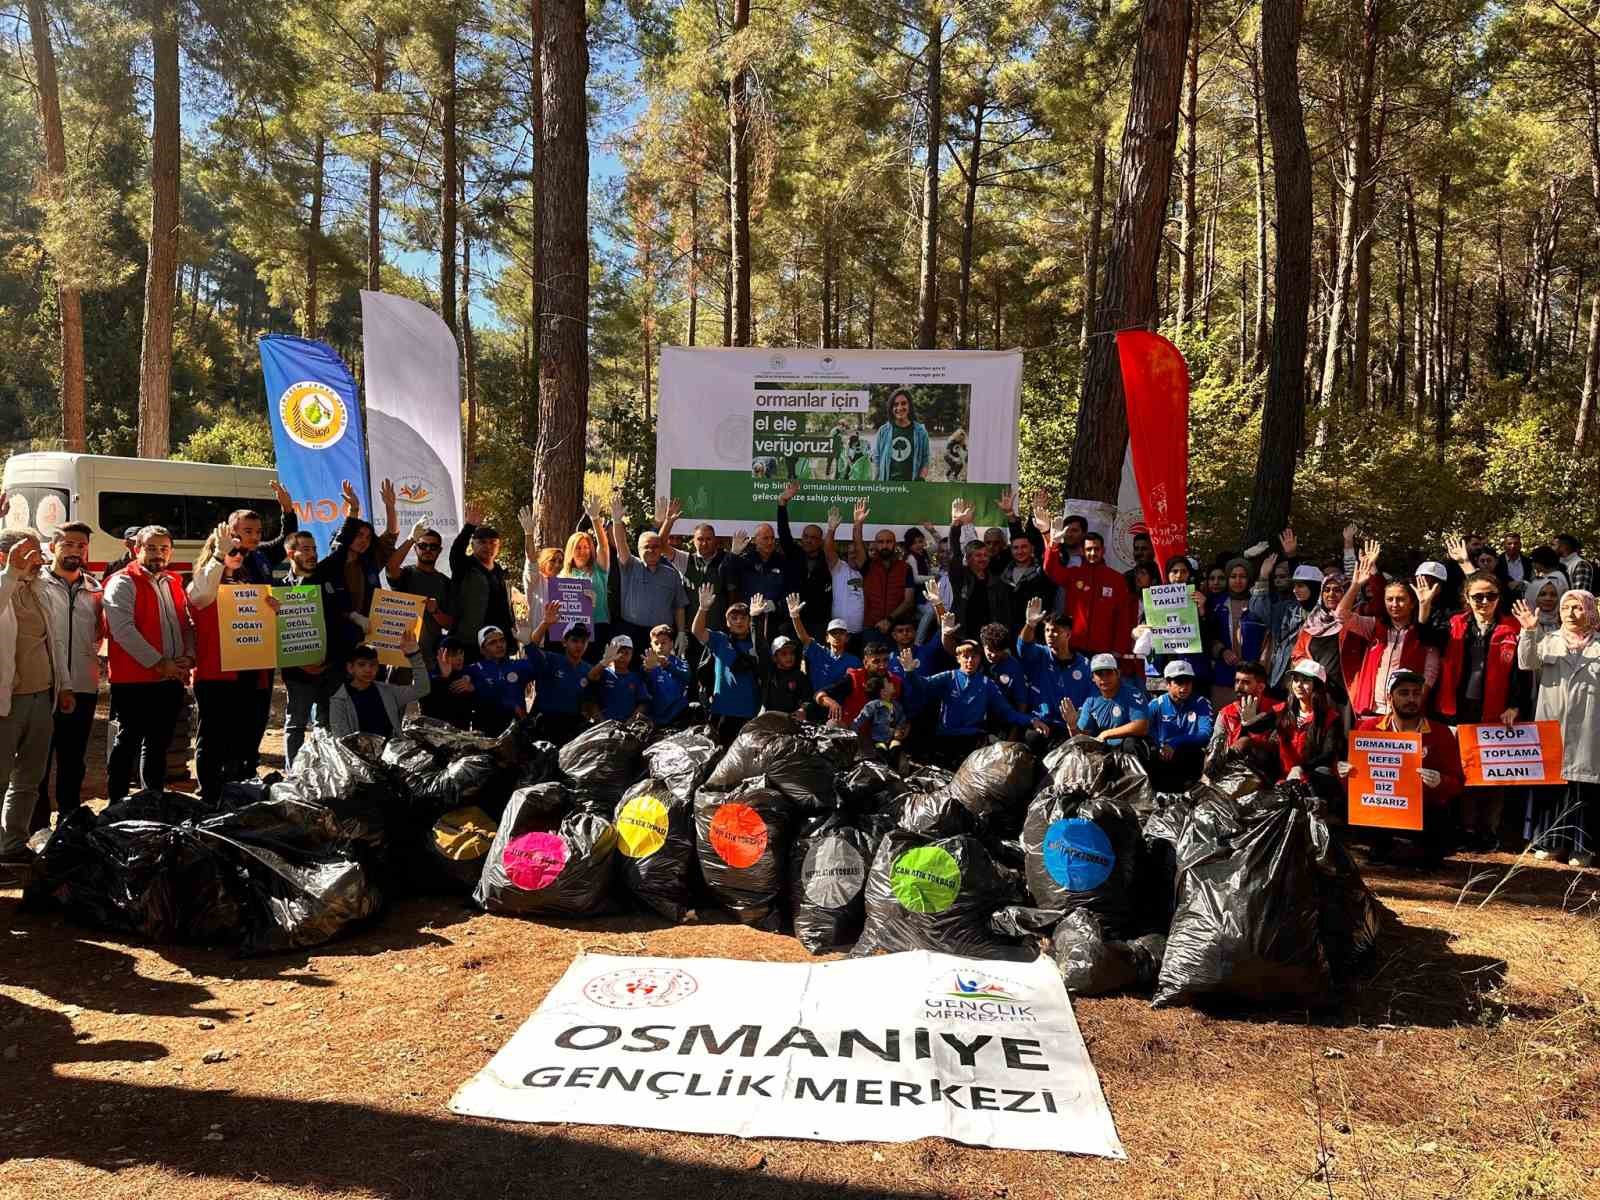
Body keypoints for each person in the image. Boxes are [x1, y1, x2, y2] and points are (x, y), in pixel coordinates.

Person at [1431, 571, 1531, 850]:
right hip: (1459, 708)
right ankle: (1466, 828)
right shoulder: (1454, 624)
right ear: (1467, 598)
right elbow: (1424, 636)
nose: (1484, 601)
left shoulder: (1512, 627)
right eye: (1477, 596)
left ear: (1499, 598)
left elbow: (1521, 673)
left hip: (1496, 710)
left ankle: (1489, 831)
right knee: (1463, 769)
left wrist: (1515, 705)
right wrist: (1425, 606)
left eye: (1491, 595)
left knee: (1494, 772)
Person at [103, 525, 195, 800]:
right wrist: (159, 662)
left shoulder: (173, 582)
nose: (158, 554)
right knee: (127, 742)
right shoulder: (122, 582)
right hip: (133, 681)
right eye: (151, 548)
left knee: (159, 744)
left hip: (169, 679)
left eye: (163, 548)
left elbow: (185, 624)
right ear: (136, 549)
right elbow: (122, 631)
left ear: (171, 552)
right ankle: (116, 804)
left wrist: (188, 656)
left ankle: (151, 799)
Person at [1340, 669, 1463, 867]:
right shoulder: (1369, 729)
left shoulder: (1440, 733)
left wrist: (1441, 781)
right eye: (1404, 693)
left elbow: (1457, 782)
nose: (1411, 699)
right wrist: (1346, 774)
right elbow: (1354, 786)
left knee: (1438, 830)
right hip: (1381, 812)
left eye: (1416, 693)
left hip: (1424, 812)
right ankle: (1383, 848)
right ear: (1390, 697)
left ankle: (1415, 851)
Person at [1513, 590, 1600, 866]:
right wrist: (1528, 631)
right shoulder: (1548, 640)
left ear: (1589, 611)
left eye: (1577, 608)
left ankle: (1581, 848)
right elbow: (1527, 662)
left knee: (1583, 789)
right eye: (1565, 608)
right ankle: (1549, 842)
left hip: (1589, 727)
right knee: (1551, 787)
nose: (1571, 614)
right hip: (1552, 726)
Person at [0, 531, 71, 862]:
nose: (39, 559)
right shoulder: (5, 586)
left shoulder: (40, 587)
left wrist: (64, 685)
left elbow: (54, 641)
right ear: (6, 556)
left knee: (30, 777)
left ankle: (13, 844)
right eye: (29, 554)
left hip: (42, 697)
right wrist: (11, 573)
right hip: (6, 702)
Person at [31, 522, 101, 831]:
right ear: (52, 547)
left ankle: (70, 821)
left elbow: (101, 633)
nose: (74, 551)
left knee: (74, 760)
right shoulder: (35, 585)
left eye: (80, 546)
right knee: (38, 763)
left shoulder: (95, 589)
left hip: (84, 686)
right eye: (68, 544)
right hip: (44, 686)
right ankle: (37, 826)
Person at [1335, 539, 1439, 719]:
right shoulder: (1375, 626)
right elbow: (1341, 616)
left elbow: (1430, 672)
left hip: (1406, 712)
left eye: (1400, 599)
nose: (1394, 604)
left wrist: (1417, 703)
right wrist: (1356, 585)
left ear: (1412, 603)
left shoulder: (1423, 631)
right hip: (1371, 708)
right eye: (1389, 599)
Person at [905, 636, 1044, 765]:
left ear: (979, 658)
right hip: (946, 738)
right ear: (958, 658)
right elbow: (923, 685)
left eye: (974, 657)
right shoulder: (949, 677)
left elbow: (1007, 712)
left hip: (972, 740)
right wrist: (910, 672)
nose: (970, 661)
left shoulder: (986, 683)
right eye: (965, 657)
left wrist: (1031, 720)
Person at [314, 480, 398, 674]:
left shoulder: (369, 563)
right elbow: (343, 541)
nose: (364, 541)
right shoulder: (331, 566)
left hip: (368, 639)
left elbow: (391, 536)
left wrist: (390, 507)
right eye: (359, 535)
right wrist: (354, 508)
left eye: (368, 537)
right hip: (338, 641)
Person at [608, 495, 690, 659]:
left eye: (656, 547)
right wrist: (617, 521)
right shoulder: (630, 565)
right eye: (647, 547)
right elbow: (621, 544)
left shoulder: (672, 574)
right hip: (631, 633)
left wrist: (681, 632)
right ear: (638, 550)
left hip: (661, 637)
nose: (652, 550)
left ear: (661, 549)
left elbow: (679, 606)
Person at [276, 530, 330, 768]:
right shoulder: (278, 588)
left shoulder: (327, 581)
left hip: (328, 669)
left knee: (324, 725)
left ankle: (323, 772)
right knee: (296, 723)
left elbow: (337, 623)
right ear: (291, 554)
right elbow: (279, 634)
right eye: (306, 549)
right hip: (297, 673)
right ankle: (294, 774)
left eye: (314, 549)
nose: (312, 554)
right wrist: (301, 663)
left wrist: (327, 661)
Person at [1014, 597, 1095, 754]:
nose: (1050, 634)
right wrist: (1030, 625)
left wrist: (1079, 723)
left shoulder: (1085, 665)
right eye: (1047, 630)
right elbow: (1023, 648)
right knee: (1032, 739)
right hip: (1043, 724)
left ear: (1068, 634)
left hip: (1071, 727)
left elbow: (1091, 700)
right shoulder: (1040, 654)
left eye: (1056, 630)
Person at [1044, 528, 1132, 665]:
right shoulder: (1073, 574)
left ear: (1103, 550)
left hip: (1104, 648)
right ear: (1082, 551)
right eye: (1089, 549)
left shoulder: (1117, 579)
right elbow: (1050, 569)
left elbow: (1122, 616)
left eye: (1096, 549)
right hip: (1073, 645)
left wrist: (1118, 649)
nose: (1092, 553)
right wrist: (1053, 545)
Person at [691, 583, 760, 744]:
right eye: (734, 618)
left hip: (750, 711)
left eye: (743, 617)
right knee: (718, 754)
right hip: (722, 710)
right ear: (727, 622)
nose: (739, 621)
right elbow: (697, 631)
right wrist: (703, 608)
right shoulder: (720, 640)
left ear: (750, 621)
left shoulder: (758, 643)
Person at [451, 502, 518, 662]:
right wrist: (469, 527)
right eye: (482, 542)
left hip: (499, 642)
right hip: (471, 641)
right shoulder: (464, 566)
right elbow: (456, 552)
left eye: (492, 543)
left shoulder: (500, 571)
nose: (487, 546)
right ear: (472, 544)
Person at [522, 602, 594, 746]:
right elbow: (531, 647)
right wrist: (545, 623)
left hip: (572, 728)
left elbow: (589, 701)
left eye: (583, 641)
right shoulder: (551, 659)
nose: (579, 645)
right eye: (574, 640)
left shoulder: (588, 669)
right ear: (564, 642)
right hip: (546, 725)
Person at [1274, 660, 1344, 806]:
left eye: (1305, 680)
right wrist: (1248, 723)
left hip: (1314, 782)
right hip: (1283, 779)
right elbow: (1260, 724)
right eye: (1296, 680)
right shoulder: (1282, 710)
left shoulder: (1331, 718)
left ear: (1317, 686)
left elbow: (1328, 754)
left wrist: (1301, 768)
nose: (1298, 685)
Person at [329, 636, 430, 736]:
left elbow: (422, 689)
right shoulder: (339, 701)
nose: (368, 670)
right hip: (358, 751)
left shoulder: (387, 691)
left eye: (373, 665)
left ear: (378, 667)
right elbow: (342, 740)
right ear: (350, 668)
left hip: (392, 750)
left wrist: (415, 656)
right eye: (361, 664)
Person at [1204, 556, 1268, 707]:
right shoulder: (1216, 603)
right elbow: (1208, 636)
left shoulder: (1258, 603)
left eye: (1242, 576)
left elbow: (1267, 638)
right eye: (1233, 576)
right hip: (1223, 676)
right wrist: (1222, 651)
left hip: (1252, 677)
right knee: (1225, 722)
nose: (1238, 581)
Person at [946, 498, 1015, 640]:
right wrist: (956, 524)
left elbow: (1005, 615)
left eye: (985, 555)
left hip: (991, 641)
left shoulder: (997, 582)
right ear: (969, 559)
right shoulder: (960, 577)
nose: (983, 558)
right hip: (964, 636)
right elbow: (954, 554)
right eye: (978, 555)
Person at [387, 520, 455, 661]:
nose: (428, 550)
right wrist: (411, 538)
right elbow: (390, 567)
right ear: (415, 548)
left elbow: (450, 624)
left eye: (433, 546)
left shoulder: (446, 582)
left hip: (431, 657)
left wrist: (436, 611)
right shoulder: (407, 573)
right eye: (423, 545)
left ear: (440, 550)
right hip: (401, 655)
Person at [1204, 660, 1281, 778]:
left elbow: (1278, 747)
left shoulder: (1277, 710)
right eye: (1237, 681)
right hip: (1230, 772)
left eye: (1245, 682)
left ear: (1260, 687)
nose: (1238, 687)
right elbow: (1214, 748)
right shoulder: (1226, 713)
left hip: (1266, 774)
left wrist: (1250, 742)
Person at [1147, 660, 1214, 791]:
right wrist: (1161, 746)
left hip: (1189, 758)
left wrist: (1175, 742)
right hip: (1163, 756)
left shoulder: (1201, 703)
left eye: (1188, 681)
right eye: (1179, 682)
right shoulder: (1156, 704)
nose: (1184, 687)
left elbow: (1205, 733)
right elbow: (1145, 729)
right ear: (1167, 684)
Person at [774, 484, 832, 629]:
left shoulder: (827, 560)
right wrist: (782, 504)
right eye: (805, 536)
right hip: (792, 617)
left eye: (813, 538)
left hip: (818, 621)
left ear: (820, 541)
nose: (808, 540)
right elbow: (784, 533)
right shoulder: (794, 553)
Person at [558, 501, 612, 656]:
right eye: (578, 547)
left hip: (598, 626)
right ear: (571, 550)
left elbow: (604, 546)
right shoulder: (563, 575)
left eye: (586, 547)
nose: (583, 551)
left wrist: (595, 518)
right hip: (571, 631)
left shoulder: (599, 569)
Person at [1064, 653, 1150, 748]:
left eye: (1108, 672)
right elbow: (1081, 737)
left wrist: (1106, 734)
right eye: (1099, 673)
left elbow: (1142, 726)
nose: (1104, 678)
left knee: (1131, 743)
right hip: (1102, 749)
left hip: (1125, 749)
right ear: (1093, 678)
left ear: (1117, 673)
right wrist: (1072, 726)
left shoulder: (1132, 694)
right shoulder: (1091, 699)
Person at [461, 625, 535, 734]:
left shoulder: (517, 666)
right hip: (487, 729)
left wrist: (529, 644)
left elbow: (542, 667)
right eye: (492, 643)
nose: (499, 645)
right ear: (482, 649)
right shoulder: (473, 670)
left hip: (517, 728)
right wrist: (477, 688)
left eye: (502, 640)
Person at [815, 639, 905, 728]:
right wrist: (832, 703)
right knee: (832, 724)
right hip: (851, 732)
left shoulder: (896, 682)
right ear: (866, 663)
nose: (882, 665)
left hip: (880, 735)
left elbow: (904, 713)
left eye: (885, 660)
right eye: (876, 661)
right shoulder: (854, 678)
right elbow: (819, 693)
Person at [790, 593, 861, 695]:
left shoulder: (854, 661)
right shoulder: (818, 652)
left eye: (841, 633)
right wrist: (795, 617)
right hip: (817, 704)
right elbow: (804, 638)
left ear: (847, 638)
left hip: (842, 706)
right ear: (827, 638)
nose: (837, 636)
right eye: (833, 633)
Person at [822, 501, 869, 641]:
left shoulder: (867, 570)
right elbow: (828, 550)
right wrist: (831, 529)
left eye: (856, 552)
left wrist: (858, 524)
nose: (853, 555)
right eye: (850, 553)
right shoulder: (839, 568)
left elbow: (859, 544)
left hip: (860, 631)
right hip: (838, 632)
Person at [583, 635, 652, 722]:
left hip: (626, 727)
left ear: (631, 655)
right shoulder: (603, 673)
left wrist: (631, 720)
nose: (622, 656)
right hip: (603, 726)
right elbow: (591, 677)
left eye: (626, 653)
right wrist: (604, 662)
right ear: (611, 652)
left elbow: (643, 703)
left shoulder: (636, 678)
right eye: (618, 652)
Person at [862, 525, 914, 639]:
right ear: (875, 545)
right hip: (872, 627)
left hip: (898, 628)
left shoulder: (905, 568)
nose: (885, 545)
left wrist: (889, 619)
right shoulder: (868, 566)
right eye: (881, 542)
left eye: (889, 542)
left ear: (894, 544)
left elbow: (908, 600)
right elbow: (857, 545)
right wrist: (858, 524)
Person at [642, 624, 698, 727]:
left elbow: (687, 677)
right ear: (651, 645)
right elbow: (645, 689)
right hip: (656, 718)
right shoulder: (648, 664)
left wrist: (667, 665)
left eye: (663, 642)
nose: (660, 646)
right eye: (656, 643)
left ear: (671, 644)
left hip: (678, 716)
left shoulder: (681, 662)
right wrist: (648, 671)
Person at [871, 387, 930, 481]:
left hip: (911, 488)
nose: (899, 408)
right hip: (888, 487)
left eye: (903, 403)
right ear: (891, 408)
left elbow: (925, 460)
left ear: (909, 405)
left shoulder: (921, 432)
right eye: (895, 404)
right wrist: (875, 482)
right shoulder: (883, 431)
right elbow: (877, 460)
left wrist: (921, 479)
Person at [420, 635, 475, 729]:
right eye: (453, 654)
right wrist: (444, 678)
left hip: (460, 735)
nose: (459, 658)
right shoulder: (429, 677)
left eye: (461, 653)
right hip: (436, 735)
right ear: (440, 655)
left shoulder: (467, 676)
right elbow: (427, 709)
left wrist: (473, 688)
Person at [853, 673, 910, 766]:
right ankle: (884, 769)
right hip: (879, 739)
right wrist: (852, 733)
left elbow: (902, 719)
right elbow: (860, 719)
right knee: (881, 752)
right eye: (888, 683)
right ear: (883, 692)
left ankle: (892, 771)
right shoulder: (873, 705)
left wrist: (899, 729)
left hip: (893, 737)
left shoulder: (897, 706)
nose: (892, 684)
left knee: (895, 749)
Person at [759, 633, 809, 715]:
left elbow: (807, 699)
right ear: (774, 658)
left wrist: (803, 710)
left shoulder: (800, 676)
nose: (789, 657)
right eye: (784, 654)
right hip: (770, 720)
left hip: (792, 720)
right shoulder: (768, 675)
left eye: (792, 653)